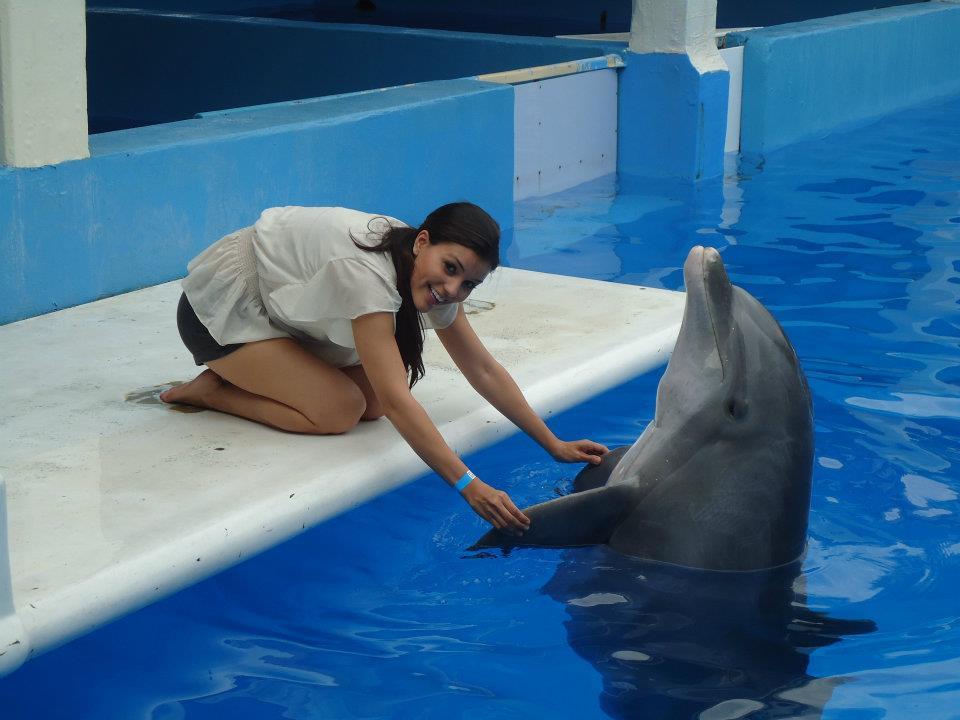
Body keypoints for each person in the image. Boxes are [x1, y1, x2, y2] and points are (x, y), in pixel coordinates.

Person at [160, 202, 608, 535]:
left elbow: (482, 369)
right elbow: (399, 401)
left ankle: (267, 373)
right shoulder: (367, 274)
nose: (453, 289)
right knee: (339, 410)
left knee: (370, 402)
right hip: (221, 314)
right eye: (450, 268)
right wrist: (469, 485)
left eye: (468, 283)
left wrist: (552, 443)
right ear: (422, 241)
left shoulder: (423, 271)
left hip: (288, 318)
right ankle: (212, 391)